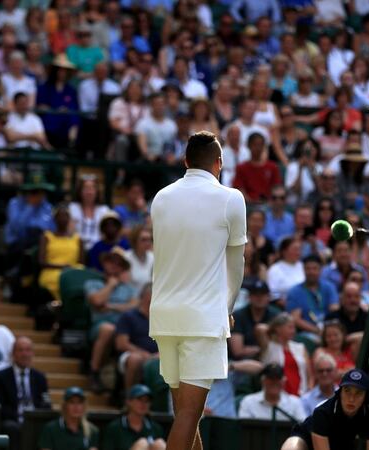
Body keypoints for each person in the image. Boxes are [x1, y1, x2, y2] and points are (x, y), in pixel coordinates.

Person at [149, 131, 246, 450]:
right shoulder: (232, 198)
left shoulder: (160, 197)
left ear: (185, 161)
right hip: (202, 320)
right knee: (190, 414)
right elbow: (236, 265)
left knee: (185, 415)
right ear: (220, 164)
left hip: (164, 317)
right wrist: (228, 309)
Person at [282, 369, 369, 450]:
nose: (352, 398)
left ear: (366, 396)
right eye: (347, 391)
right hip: (308, 440)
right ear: (340, 392)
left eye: (358, 393)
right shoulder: (323, 413)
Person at [86, 247, 137, 392]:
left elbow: (134, 306)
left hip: (125, 327)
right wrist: (111, 284)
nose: (114, 265)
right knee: (108, 329)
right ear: (104, 264)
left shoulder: (128, 288)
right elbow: (96, 300)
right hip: (100, 325)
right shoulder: (93, 283)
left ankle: (123, 390)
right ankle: (94, 372)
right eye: (111, 261)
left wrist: (111, 306)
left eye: (119, 263)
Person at [0, 336, 50, 450]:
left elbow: (46, 403)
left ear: (32, 353)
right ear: (13, 354)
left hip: (34, 420)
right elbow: (0, 407)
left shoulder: (40, 377)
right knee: (11, 427)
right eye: (20, 350)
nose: (25, 354)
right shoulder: (0, 376)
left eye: (28, 350)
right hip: (13, 420)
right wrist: (22, 417)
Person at [286, 255, 339, 342]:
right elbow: (295, 319)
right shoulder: (295, 291)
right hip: (307, 333)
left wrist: (328, 331)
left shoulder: (329, 287)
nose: (311, 272)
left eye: (315, 268)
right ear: (303, 270)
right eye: (308, 269)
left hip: (329, 330)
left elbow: (335, 310)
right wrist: (317, 330)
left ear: (321, 270)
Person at [115, 283, 158, 389]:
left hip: (158, 354)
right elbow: (121, 344)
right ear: (143, 297)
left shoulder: (162, 318)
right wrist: (143, 353)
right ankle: (130, 397)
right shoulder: (128, 316)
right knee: (135, 359)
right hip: (132, 353)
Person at [258, 313, 312, 397]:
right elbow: (260, 328)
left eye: (294, 327)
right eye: (290, 327)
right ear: (278, 328)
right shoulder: (269, 346)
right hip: (277, 396)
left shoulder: (300, 347)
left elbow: (309, 374)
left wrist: (309, 390)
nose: (293, 331)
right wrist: (274, 329)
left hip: (301, 394)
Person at [38, 203, 84, 300]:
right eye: (59, 216)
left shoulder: (78, 239)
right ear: (54, 219)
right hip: (51, 273)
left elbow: (81, 262)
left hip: (72, 272)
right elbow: (41, 262)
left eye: (65, 216)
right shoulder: (46, 237)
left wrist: (71, 269)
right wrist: (62, 267)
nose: (62, 218)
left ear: (69, 218)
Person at [101, 384, 166, 450]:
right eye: (139, 399)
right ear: (129, 401)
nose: (143, 403)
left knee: (159, 443)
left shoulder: (156, 428)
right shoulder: (114, 428)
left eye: (147, 400)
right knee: (142, 443)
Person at [230, 278, 281, 360]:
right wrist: (264, 349)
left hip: (271, 359)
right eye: (255, 295)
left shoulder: (276, 315)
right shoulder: (238, 316)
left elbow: (282, 344)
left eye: (263, 295)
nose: (259, 298)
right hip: (243, 361)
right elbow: (238, 351)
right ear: (249, 297)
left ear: (269, 297)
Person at [238, 363, 307, 422]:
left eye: (278, 378)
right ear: (263, 380)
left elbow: (302, 430)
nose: (274, 382)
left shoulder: (295, 403)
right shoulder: (248, 402)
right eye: (271, 378)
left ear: (283, 381)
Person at [232, 132, 282, 203]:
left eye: (260, 145)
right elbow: (239, 188)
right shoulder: (241, 167)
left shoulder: (272, 167)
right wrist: (250, 201)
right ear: (249, 146)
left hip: (268, 205)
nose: (258, 148)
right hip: (248, 205)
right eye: (255, 145)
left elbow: (276, 188)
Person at [69, 176, 113, 251]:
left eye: (92, 189)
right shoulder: (72, 208)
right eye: (86, 188)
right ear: (80, 191)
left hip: (98, 249)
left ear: (97, 191)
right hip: (76, 247)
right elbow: (69, 232)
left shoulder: (104, 210)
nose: (89, 192)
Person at [267, 237, 305, 303]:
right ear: (284, 251)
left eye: (299, 249)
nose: (298, 252)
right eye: (295, 249)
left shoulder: (304, 266)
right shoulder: (275, 269)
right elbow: (273, 295)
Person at [124, 225, 153, 293]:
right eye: (143, 240)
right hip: (133, 298)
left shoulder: (153, 257)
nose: (148, 243)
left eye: (149, 239)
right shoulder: (126, 257)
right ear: (134, 241)